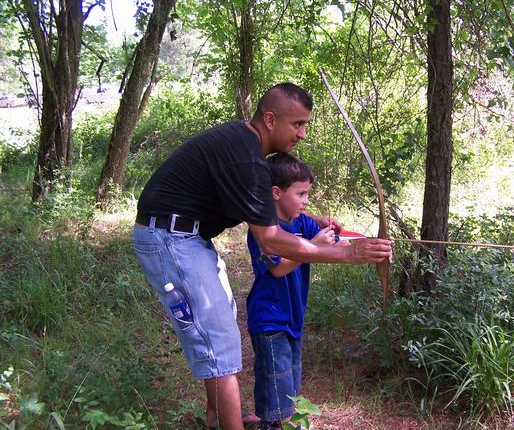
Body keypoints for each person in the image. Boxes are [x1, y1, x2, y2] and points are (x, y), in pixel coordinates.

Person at [132, 82, 392, 430]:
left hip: (186, 236)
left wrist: (313, 221)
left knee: (221, 324)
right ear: (270, 119)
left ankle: (218, 416)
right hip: (170, 237)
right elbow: (270, 240)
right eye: (297, 124)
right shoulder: (248, 159)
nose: (302, 133)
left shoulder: (246, 149)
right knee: (221, 344)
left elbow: (265, 207)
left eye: (305, 125)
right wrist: (348, 254)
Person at [246, 153, 348, 429]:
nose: (306, 201)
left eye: (307, 193)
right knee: (276, 386)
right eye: (301, 193)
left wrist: (345, 236)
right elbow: (278, 268)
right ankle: (273, 424)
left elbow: (334, 241)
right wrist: (314, 245)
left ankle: (276, 422)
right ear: (276, 193)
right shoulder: (263, 230)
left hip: (293, 317)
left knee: (288, 384)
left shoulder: (301, 222)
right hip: (269, 319)